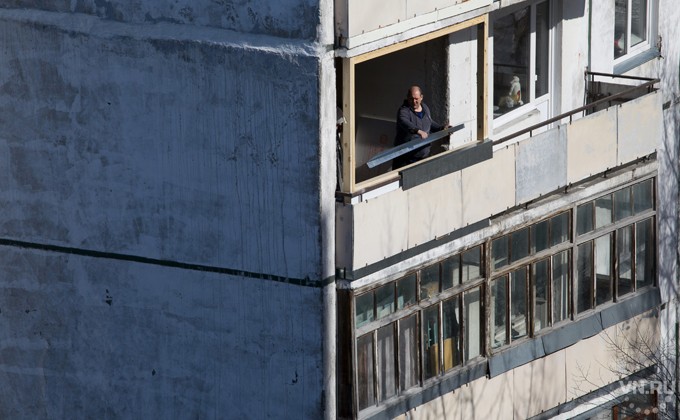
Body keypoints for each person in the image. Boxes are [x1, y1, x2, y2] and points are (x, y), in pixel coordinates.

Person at [393, 86, 447, 169]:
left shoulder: (425, 108)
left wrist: (442, 128)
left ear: (421, 97)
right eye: (411, 99)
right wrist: (418, 131)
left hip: (422, 158)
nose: (414, 101)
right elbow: (405, 123)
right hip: (405, 161)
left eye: (416, 99)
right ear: (407, 98)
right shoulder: (403, 111)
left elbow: (429, 123)